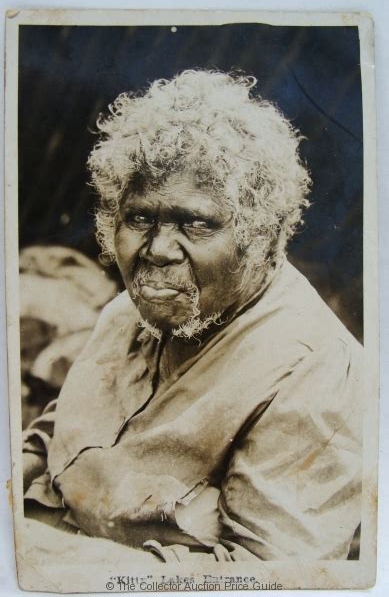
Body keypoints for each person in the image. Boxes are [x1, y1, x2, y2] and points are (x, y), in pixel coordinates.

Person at [23, 70, 363, 562]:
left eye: (196, 224)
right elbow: (57, 437)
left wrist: (35, 554)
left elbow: (267, 584)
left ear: (262, 238)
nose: (158, 250)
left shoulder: (319, 375)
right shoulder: (129, 311)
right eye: (140, 218)